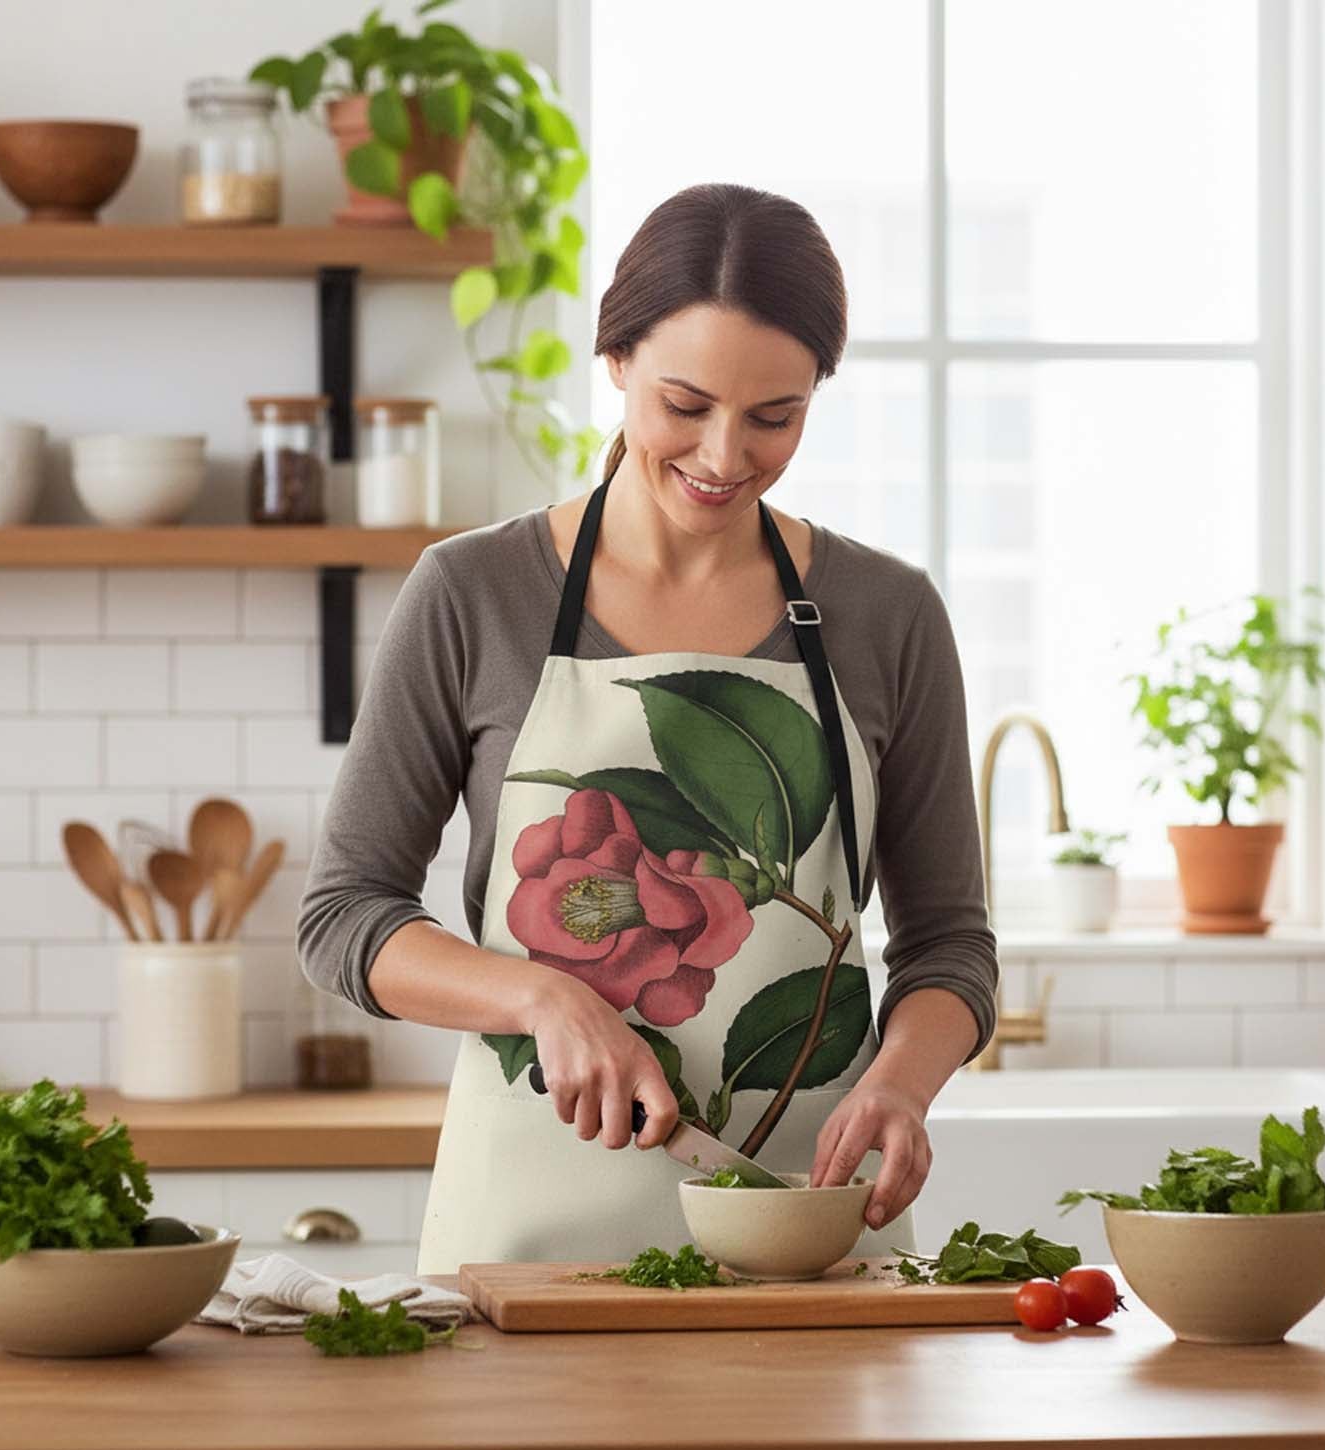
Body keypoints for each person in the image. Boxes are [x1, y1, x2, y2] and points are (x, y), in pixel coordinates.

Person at [297, 182, 998, 1274]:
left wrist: (902, 1086)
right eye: (687, 403)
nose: (725, 456)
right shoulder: (475, 594)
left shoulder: (887, 615)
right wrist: (541, 995)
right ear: (615, 359)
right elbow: (343, 918)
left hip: (808, 1230)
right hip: (529, 1247)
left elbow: (951, 946)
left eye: (776, 417)